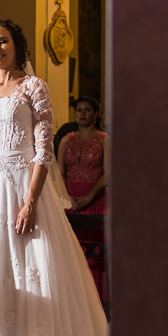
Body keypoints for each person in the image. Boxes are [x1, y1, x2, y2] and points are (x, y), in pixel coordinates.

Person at [0, 17, 108, 336]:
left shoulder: (33, 87)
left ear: (18, 46)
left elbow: (43, 149)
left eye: (4, 42)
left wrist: (29, 200)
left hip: (22, 187)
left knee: (29, 271)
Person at [58, 96, 110, 302]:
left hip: (95, 198)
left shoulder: (104, 139)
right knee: (72, 249)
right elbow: (60, 172)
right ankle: (73, 301)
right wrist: (67, 197)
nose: (82, 113)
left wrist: (89, 196)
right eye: (79, 109)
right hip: (69, 200)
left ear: (96, 114)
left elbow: (108, 173)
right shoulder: (66, 139)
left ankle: (98, 300)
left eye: (87, 110)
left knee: (95, 248)